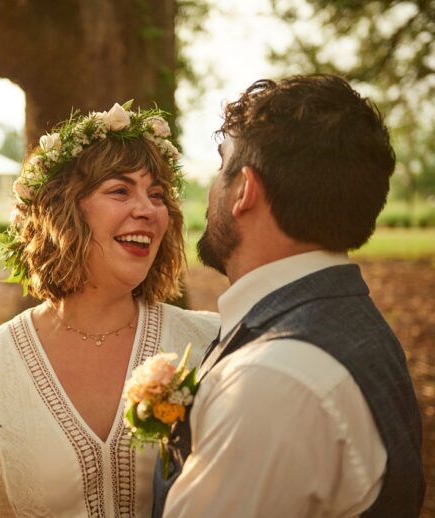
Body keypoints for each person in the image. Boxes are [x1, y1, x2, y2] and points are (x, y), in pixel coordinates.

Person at [152, 75, 425, 517]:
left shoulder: (271, 382)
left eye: (222, 168)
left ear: (244, 191)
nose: (210, 192)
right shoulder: (346, 321)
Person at [0, 103, 219, 517]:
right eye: (120, 190)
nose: (148, 209)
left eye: (156, 194)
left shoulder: (212, 344)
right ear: (63, 212)